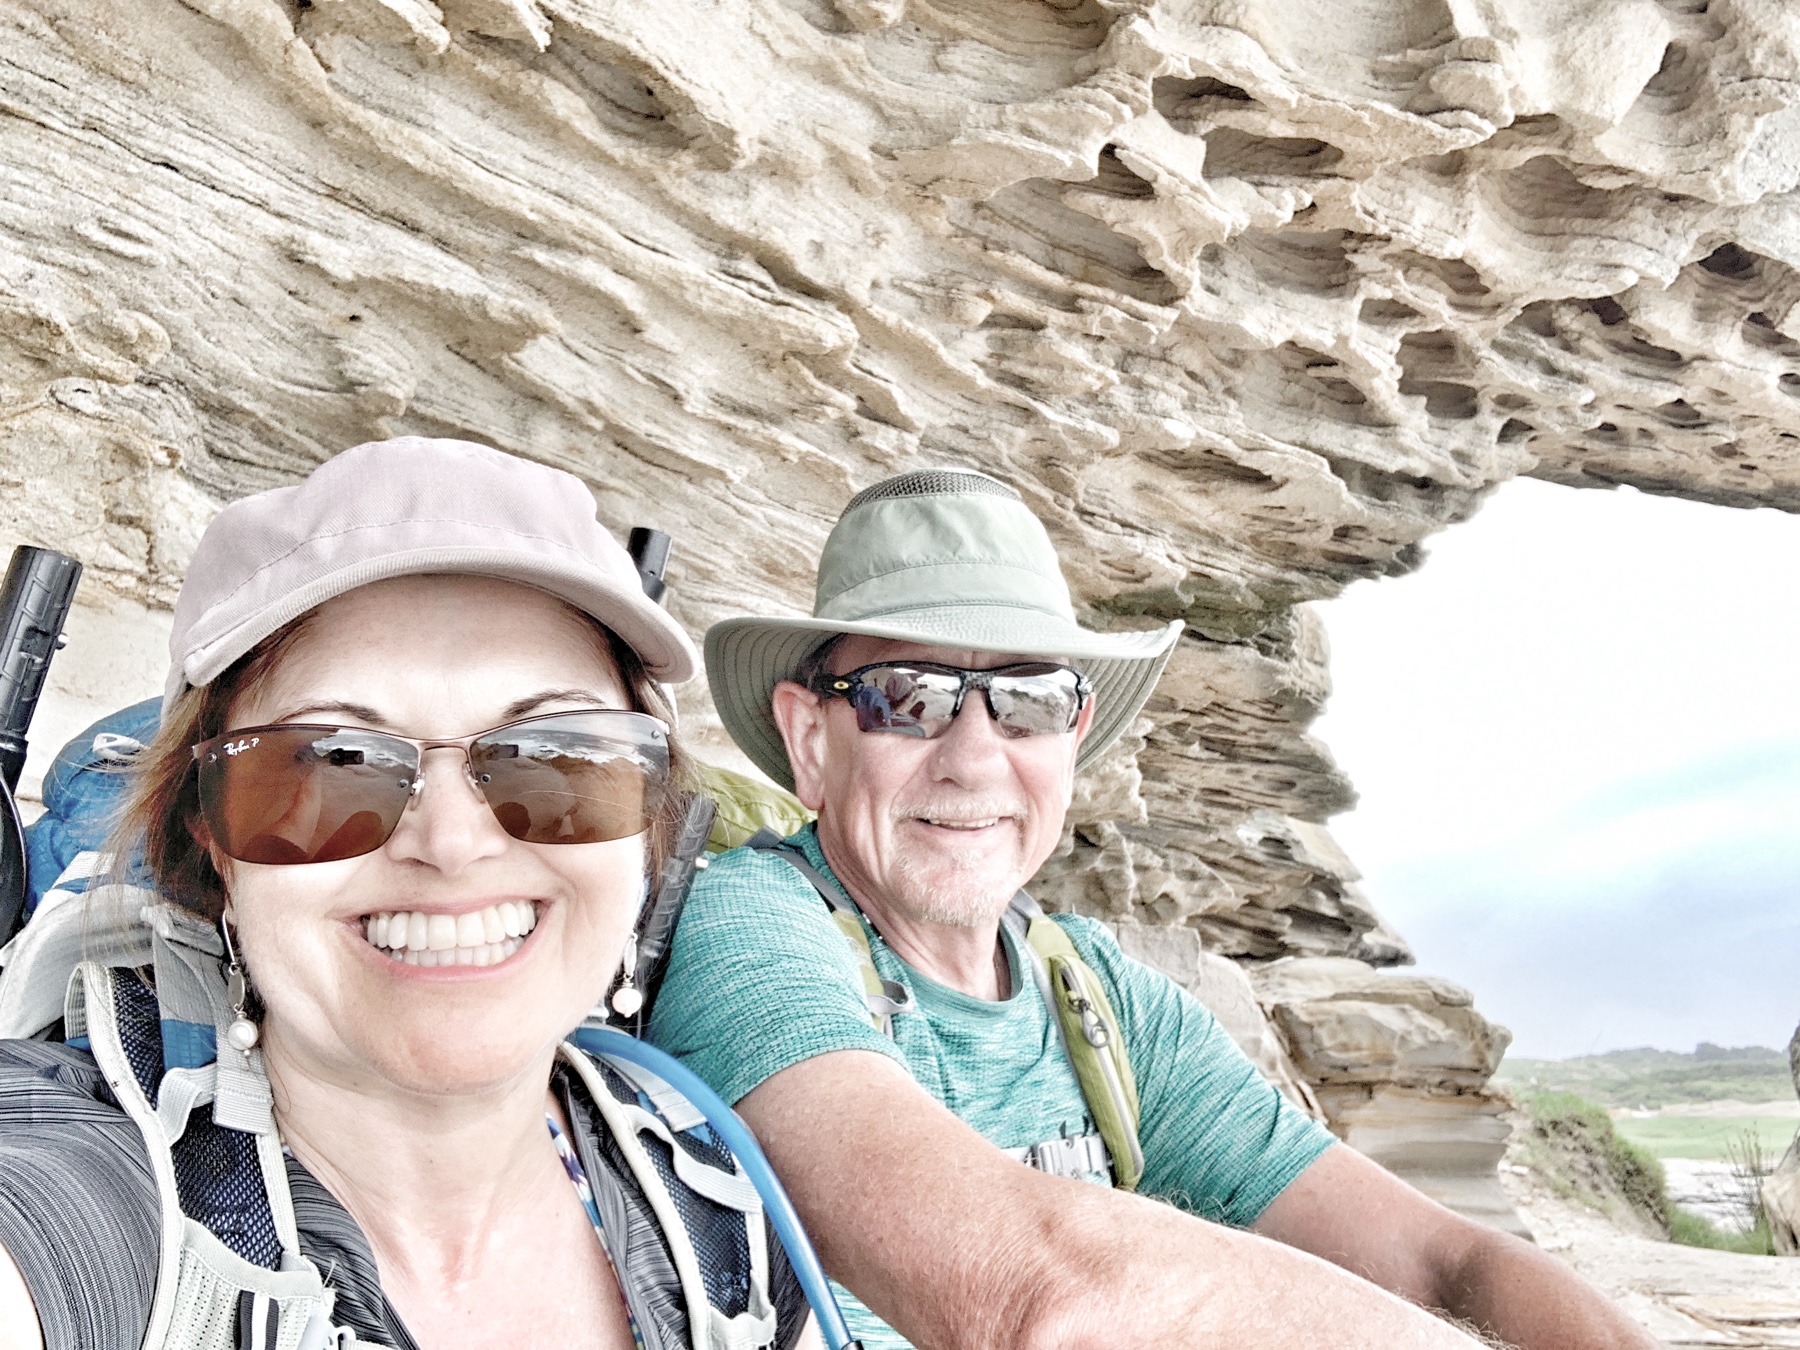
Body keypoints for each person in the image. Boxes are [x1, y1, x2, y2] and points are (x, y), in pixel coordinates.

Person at [648, 468, 1660, 1350]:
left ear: (1074, 734)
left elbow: (1440, 1264)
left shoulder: (1099, 1001)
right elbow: (1039, 1295)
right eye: (906, 697)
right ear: (812, 739)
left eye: (1030, 699)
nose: (973, 759)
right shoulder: (746, 934)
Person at [0, 437, 813, 1350]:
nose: (452, 845)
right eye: (332, 765)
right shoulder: (84, 1174)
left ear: (646, 824)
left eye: (557, 755)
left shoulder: (721, 1224)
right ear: (212, 841)